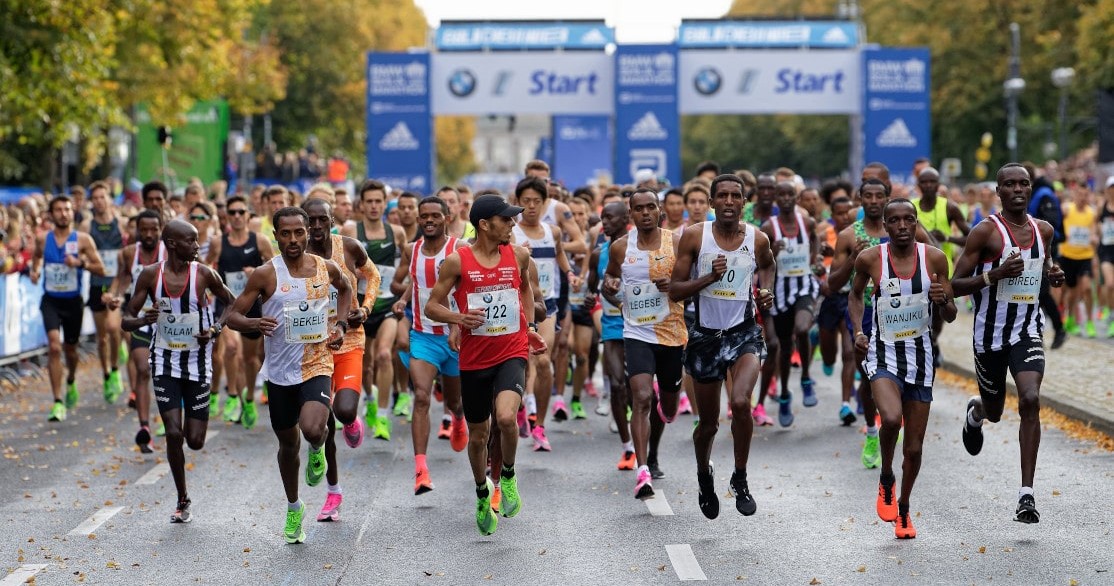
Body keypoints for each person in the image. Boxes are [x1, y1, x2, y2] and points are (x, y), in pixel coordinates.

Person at [226, 206, 352, 544]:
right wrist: (254, 322)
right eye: (286, 233)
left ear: (308, 232)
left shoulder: (325, 267)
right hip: (280, 372)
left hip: (317, 362)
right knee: (287, 444)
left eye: (299, 232)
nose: (293, 239)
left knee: (312, 429)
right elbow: (232, 316)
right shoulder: (266, 274)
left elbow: (346, 289)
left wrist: (340, 324)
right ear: (276, 236)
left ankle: (318, 446)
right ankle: (294, 506)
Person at [423, 194, 547, 536]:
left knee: (506, 418)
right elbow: (432, 306)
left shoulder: (518, 255)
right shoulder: (457, 262)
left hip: (512, 350)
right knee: (478, 435)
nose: (512, 223)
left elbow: (526, 291)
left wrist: (530, 327)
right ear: (484, 224)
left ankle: (507, 475)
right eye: (506, 219)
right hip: (475, 358)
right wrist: (458, 318)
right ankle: (481, 491)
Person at [952, 163, 1066, 525]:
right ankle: (976, 414)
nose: (1018, 189)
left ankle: (1026, 494)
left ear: (1030, 188)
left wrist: (1053, 274)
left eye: (1023, 183)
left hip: (1027, 330)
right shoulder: (985, 232)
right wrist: (995, 275)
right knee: (995, 410)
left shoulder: (1043, 230)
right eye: (1010, 184)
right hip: (989, 336)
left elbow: (1044, 265)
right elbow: (954, 285)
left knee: (1030, 398)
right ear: (999, 191)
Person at [849, 199, 957, 539]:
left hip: (921, 358)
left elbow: (952, 312)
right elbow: (855, 296)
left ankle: (905, 508)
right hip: (883, 354)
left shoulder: (935, 259)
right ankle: (886, 476)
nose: (902, 226)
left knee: (913, 448)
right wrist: (859, 331)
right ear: (885, 226)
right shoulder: (870, 259)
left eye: (908, 219)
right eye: (894, 220)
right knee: (892, 419)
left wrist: (943, 300)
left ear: (916, 222)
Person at [669, 174, 775, 519]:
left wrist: (766, 291)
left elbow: (769, 265)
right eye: (723, 196)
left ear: (744, 202)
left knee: (741, 402)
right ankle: (704, 474)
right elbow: (675, 290)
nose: (729, 202)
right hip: (705, 337)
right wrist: (709, 278)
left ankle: (740, 477)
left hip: (744, 333)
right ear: (713, 202)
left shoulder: (757, 238)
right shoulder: (695, 237)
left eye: (735, 196)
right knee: (709, 425)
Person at [121, 219, 233, 524]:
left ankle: (184, 481)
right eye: (191, 241)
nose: (197, 246)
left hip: (197, 364)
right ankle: (182, 498)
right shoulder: (150, 275)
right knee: (173, 432)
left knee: (195, 440)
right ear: (172, 244)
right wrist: (144, 320)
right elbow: (126, 319)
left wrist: (215, 329)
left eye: (196, 240)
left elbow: (232, 303)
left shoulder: (204, 274)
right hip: (164, 362)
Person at [602, 188, 687, 499]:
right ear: (631, 214)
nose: (646, 213)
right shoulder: (620, 247)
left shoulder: (677, 242)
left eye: (651, 207)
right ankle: (642, 471)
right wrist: (612, 288)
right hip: (637, 332)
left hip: (672, 333)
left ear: (659, 210)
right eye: (639, 209)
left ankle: (654, 450)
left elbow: (691, 284)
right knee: (640, 397)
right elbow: (609, 282)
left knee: (668, 407)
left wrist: (674, 286)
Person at [302, 198, 381, 521]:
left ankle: (351, 420)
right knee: (323, 425)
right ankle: (333, 492)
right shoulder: (296, 257)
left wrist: (365, 308)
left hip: (348, 341)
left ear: (332, 220)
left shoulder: (348, 247)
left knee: (344, 410)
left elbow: (373, 276)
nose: (316, 226)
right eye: (311, 220)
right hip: (312, 349)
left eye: (322, 219)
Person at [389, 196, 469, 496]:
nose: (429, 220)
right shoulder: (412, 250)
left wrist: (458, 323)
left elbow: (466, 287)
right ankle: (421, 471)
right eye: (425, 216)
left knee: (455, 401)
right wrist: (403, 300)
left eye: (436, 215)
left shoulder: (459, 249)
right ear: (418, 219)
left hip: (455, 337)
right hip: (423, 336)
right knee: (421, 396)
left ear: (447, 218)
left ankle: (458, 418)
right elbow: (416, 280)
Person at [511, 176, 579, 450]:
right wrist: (517, 255)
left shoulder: (553, 231)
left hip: (546, 305)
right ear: (518, 202)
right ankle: (522, 404)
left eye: (536, 201)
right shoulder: (512, 233)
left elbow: (559, 253)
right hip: (518, 306)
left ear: (544, 203)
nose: (531, 206)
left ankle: (538, 424)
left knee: (542, 360)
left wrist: (570, 273)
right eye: (526, 201)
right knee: (524, 361)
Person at [29, 196, 106, 421]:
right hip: (51, 301)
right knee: (54, 347)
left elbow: (100, 268)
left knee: (71, 350)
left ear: (73, 213)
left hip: (73, 302)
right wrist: (35, 271)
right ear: (51, 214)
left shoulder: (83, 239)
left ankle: (71, 379)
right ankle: (57, 402)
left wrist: (80, 263)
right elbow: (36, 257)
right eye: (58, 210)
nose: (63, 213)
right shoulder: (43, 239)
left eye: (67, 209)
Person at [343, 179, 407, 440]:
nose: (373, 206)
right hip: (359, 308)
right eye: (368, 201)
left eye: (378, 201)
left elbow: (406, 267)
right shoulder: (351, 229)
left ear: (385, 203)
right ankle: (369, 397)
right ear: (361, 204)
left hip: (386, 305)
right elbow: (340, 266)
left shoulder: (397, 232)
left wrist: (403, 291)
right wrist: (354, 273)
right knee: (366, 365)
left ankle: (382, 417)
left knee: (383, 355)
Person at [205, 196, 275, 427]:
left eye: (241, 212)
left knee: (250, 358)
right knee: (232, 347)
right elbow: (206, 268)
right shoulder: (218, 243)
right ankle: (233, 395)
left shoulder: (260, 241)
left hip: (252, 306)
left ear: (247, 215)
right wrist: (207, 289)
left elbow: (276, 269)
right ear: (227, 216)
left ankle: (249, 398)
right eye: (232, 212)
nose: (236, 216)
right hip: (227, 304)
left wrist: (257, 272)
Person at [760, 180, 823, 424]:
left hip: (804, 285)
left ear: (796, 199)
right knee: (785, 347)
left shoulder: (806, 222)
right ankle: (785, 393)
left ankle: (806, 377)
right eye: (782, 195)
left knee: (803, 327)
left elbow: (815, 239)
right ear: (776, 199)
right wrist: (773, 252)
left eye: (790, 194)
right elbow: (762, 260)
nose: (786, 198)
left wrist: (814, 258)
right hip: (780, 290)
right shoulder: (769, 227)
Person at [106, 210, 166, 451]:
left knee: (167, 375)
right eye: (144, 230)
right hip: (141, 320)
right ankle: (144, 428)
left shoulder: (170, 252)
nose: (149, 234)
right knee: (142, 369)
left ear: (161, 230)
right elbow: (122, 281)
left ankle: (171, 417)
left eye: (154, 229)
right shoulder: (130, 253)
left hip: (170, 324)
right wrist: (115, 297)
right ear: (137, 231)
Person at [589, 203, 635, 469]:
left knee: (636, 389)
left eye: (609, 217)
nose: (604, 222)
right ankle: (628, 447)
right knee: (617, 385)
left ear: (625, 218)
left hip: (641, 325)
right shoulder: (598, 254)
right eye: (602, 217)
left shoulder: (640, 249)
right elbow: (591, 289)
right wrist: (589, 298)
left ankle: (643, 438)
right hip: (612, 326)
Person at [81, 181, 125, 404]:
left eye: (102, 197)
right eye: (95, 198)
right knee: (102, 337)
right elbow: (79, 252)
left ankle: (115, 368)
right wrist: (86, 262)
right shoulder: (87, 226)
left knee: (113, 327)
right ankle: (106, 373)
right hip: (97, 284)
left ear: (109, 199)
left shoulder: (121, 223)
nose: (99, 201)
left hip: (116, 283)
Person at [816, 195, 858, 425]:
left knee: (849, 353)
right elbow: (814, 263)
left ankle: (845, 404)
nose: (844, 217)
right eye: (840, 213)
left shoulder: (859, 235)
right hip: (830, 297)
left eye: (848, 212)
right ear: (832, 215)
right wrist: (819, 277)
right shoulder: (825, 235)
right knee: (830, 353)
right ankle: (826, 357)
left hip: (851, 297)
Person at [1058, 184, 1097, 337]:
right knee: (1071, 291)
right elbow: (1057, 222)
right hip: (1068, 255)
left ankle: (1090, 322)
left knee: (1087, 288)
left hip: (1085, 256)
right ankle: (1071, 318)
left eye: (1086, 194)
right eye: (1080, 194)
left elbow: (1093, 231)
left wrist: (1094, 238)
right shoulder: (1067, 209)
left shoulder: (1091, 213)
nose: (1083, 197)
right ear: (1075, 194)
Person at [1098, 177, 1114, 337]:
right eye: (1111, 187)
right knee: (1109, 284)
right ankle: (1111, 314)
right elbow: (1093, 223)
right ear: (1107, 190)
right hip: (1106, 251)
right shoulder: (1101, 206)